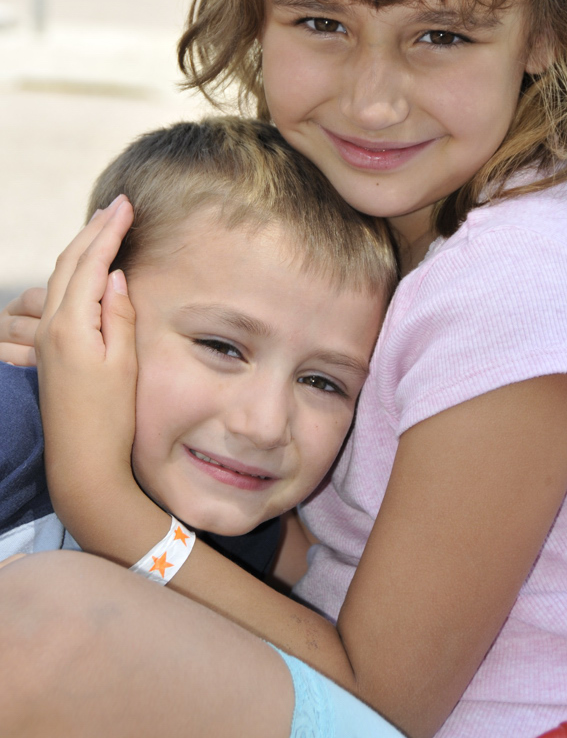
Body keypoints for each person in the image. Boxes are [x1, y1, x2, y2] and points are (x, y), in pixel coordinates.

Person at [0, 0, 567, 736]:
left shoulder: (524, 286)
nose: (373, 98)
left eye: (441, 35)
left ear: (546, 31)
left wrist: (102, 491)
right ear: (255, 12)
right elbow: (330, 535)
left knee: (52, 632)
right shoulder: (407, 219)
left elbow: (388, 694)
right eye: (320, 23)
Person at [0, 116, 396, 580]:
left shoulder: (238, 527)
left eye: (320, 382)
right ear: (91, 298)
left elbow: (343, 651)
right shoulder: (13, 427)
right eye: (222, 348)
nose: (265, 427)